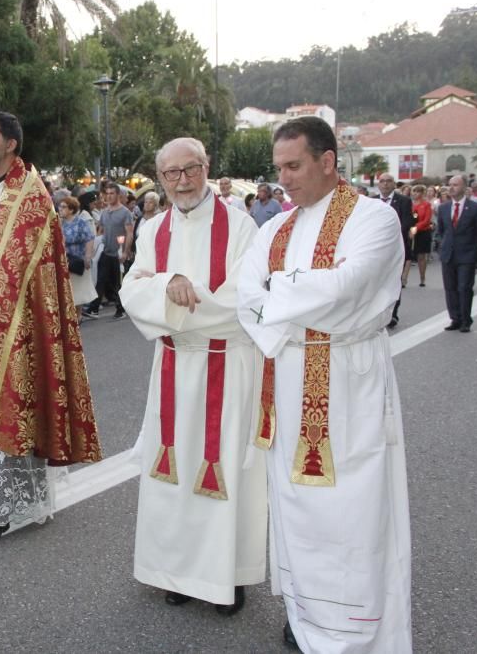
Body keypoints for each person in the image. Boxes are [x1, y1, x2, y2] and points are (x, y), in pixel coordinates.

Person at [236, 117, 411, 652]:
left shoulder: (373, 220)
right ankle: (305, 617)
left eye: (294, 165)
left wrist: (280, 292)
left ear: (328, 160)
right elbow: (246, 293)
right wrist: (297, 298)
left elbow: (347, 285)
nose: (282, 179)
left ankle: (357, 632)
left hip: (348, 381)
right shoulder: (274, 229)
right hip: (289, 380)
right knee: (294, 505)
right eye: (279, 168)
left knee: (353, 510)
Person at [121, 138, 266, 616]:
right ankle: (177, 571)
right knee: (172, 472)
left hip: (226, 363)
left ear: (207, 168)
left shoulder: (241, 226)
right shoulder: (153, 228)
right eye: (171, 174)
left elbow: (241, 303)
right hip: (173, 365)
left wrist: (172, 308)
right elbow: (131, 290)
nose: (182, 181)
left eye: (191, 170)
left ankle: (227, 576)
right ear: (160, 178)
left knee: (221, 470)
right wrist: (169, 285)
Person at [0, 111, 101, 545]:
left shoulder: (30, 193)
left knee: (9, 409)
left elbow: (15, 266)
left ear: (11, 143)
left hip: (12, 323)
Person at [436, 175, 477, 333]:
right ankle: (455, 318)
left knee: (464, 287)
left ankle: (466, 319)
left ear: (465, 188)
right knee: (450, 288)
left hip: (467, 254)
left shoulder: (476, 208)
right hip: (448, 254)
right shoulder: (443, 208)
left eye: (455, 185)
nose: (451, 188)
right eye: (449, 184)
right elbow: (441, 231)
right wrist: (443, 246)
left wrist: (472, 247)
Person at [84, 181, 133, 320]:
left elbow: (129, 233)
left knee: (116, 283)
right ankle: (94, 309)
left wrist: (125, 252)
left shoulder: (125, 213)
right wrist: (95, 248)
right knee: (101, 279)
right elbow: (101, 231)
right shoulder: (105, 212)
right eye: (107, 194)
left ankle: (121, 309)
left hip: (118, 253)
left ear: (118, 194)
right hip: (105, 251)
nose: (109, 196)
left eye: (112, 193)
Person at [377, 172, 414, 328]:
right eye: (382, 181)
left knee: (393, 281)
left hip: (395, 247)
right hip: (375, 248)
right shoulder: (370, 201)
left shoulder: (404, 201)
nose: (385, 184)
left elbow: (406, 223)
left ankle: (393, 313)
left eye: (388, 181)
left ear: (394, 184)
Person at [58, 196, 97, 312]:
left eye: (63, 207)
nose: (60, 209)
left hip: (78, 261)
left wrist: (88, 256)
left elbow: (89, 238)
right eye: (60, 207)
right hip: (64, 261)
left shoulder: (80, 223)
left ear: (71, 209)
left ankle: (77, 315)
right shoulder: (59, 224)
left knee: (79, 291)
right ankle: (70, 314)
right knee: (67, 290)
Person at [404, 184, 433, 287]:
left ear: (422, 193)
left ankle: (422, 278)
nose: (415, 194)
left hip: (422, 232)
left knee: (421, 256)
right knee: (408, 256)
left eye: (418, 192)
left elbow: (426, 220)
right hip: (410, 232)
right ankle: (404, 279)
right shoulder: (409, 204)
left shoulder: (426, 205)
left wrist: (416, 227)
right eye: (414, 191)